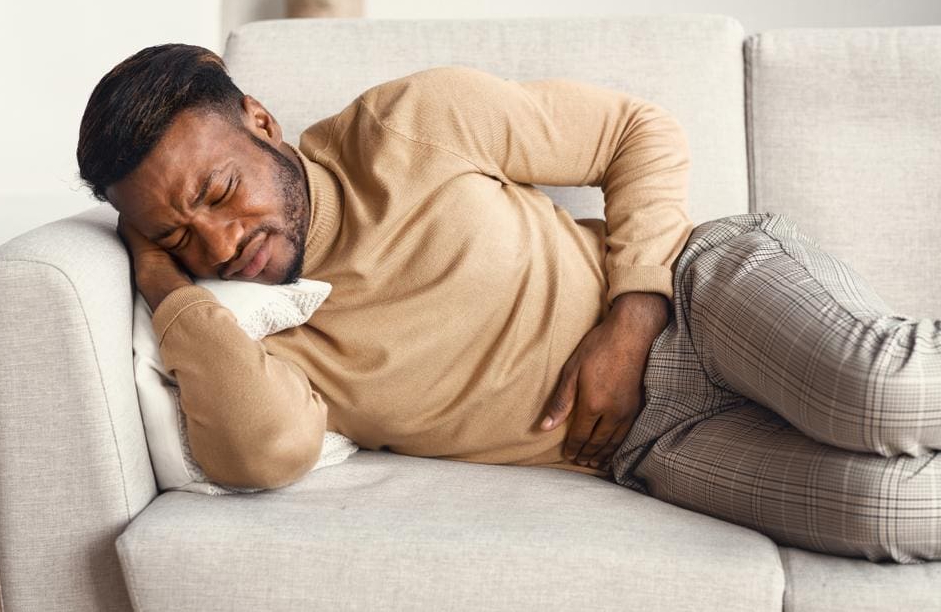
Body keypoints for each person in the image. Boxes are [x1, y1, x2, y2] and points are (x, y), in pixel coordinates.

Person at [77, 44, 940, 564]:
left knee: (882, 389)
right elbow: (263, 452)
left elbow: (637, 130)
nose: (221, 242)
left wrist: (631, 314)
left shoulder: (406, 122)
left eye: (221, 191)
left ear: (260, 121)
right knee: (893, 512)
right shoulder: (264, 326)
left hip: (695, 293)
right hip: (648, 444)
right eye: (178, 234)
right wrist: (166, 289)